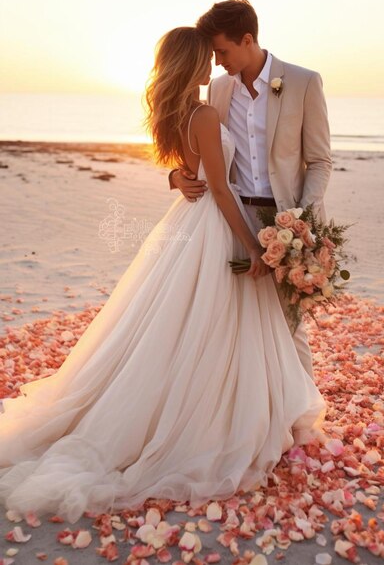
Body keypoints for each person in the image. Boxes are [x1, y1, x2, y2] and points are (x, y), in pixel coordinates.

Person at [0, 27, 326, 525]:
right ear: (192, 61)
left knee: (196, 323)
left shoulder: (174, 111)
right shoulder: (206, 109)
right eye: (207, 56)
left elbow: (187, 168)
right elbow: (218, 189)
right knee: (220, 324)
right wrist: (250, 247)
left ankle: (268, 410)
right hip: (218, 224)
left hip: (190, 223)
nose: (216, 64)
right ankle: (234, 420)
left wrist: (180, 176)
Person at [168, 0, 332, 378]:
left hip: (289, 220)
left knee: (288, 325)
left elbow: (320, 161)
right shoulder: (219, 90)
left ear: (247, 39)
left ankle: (301, 419)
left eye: (222, 51)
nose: (217, 61)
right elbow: (203, 152)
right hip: (232, 219)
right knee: (244, 326)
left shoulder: (304, 82)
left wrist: (299, 220)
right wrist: (176, 177)